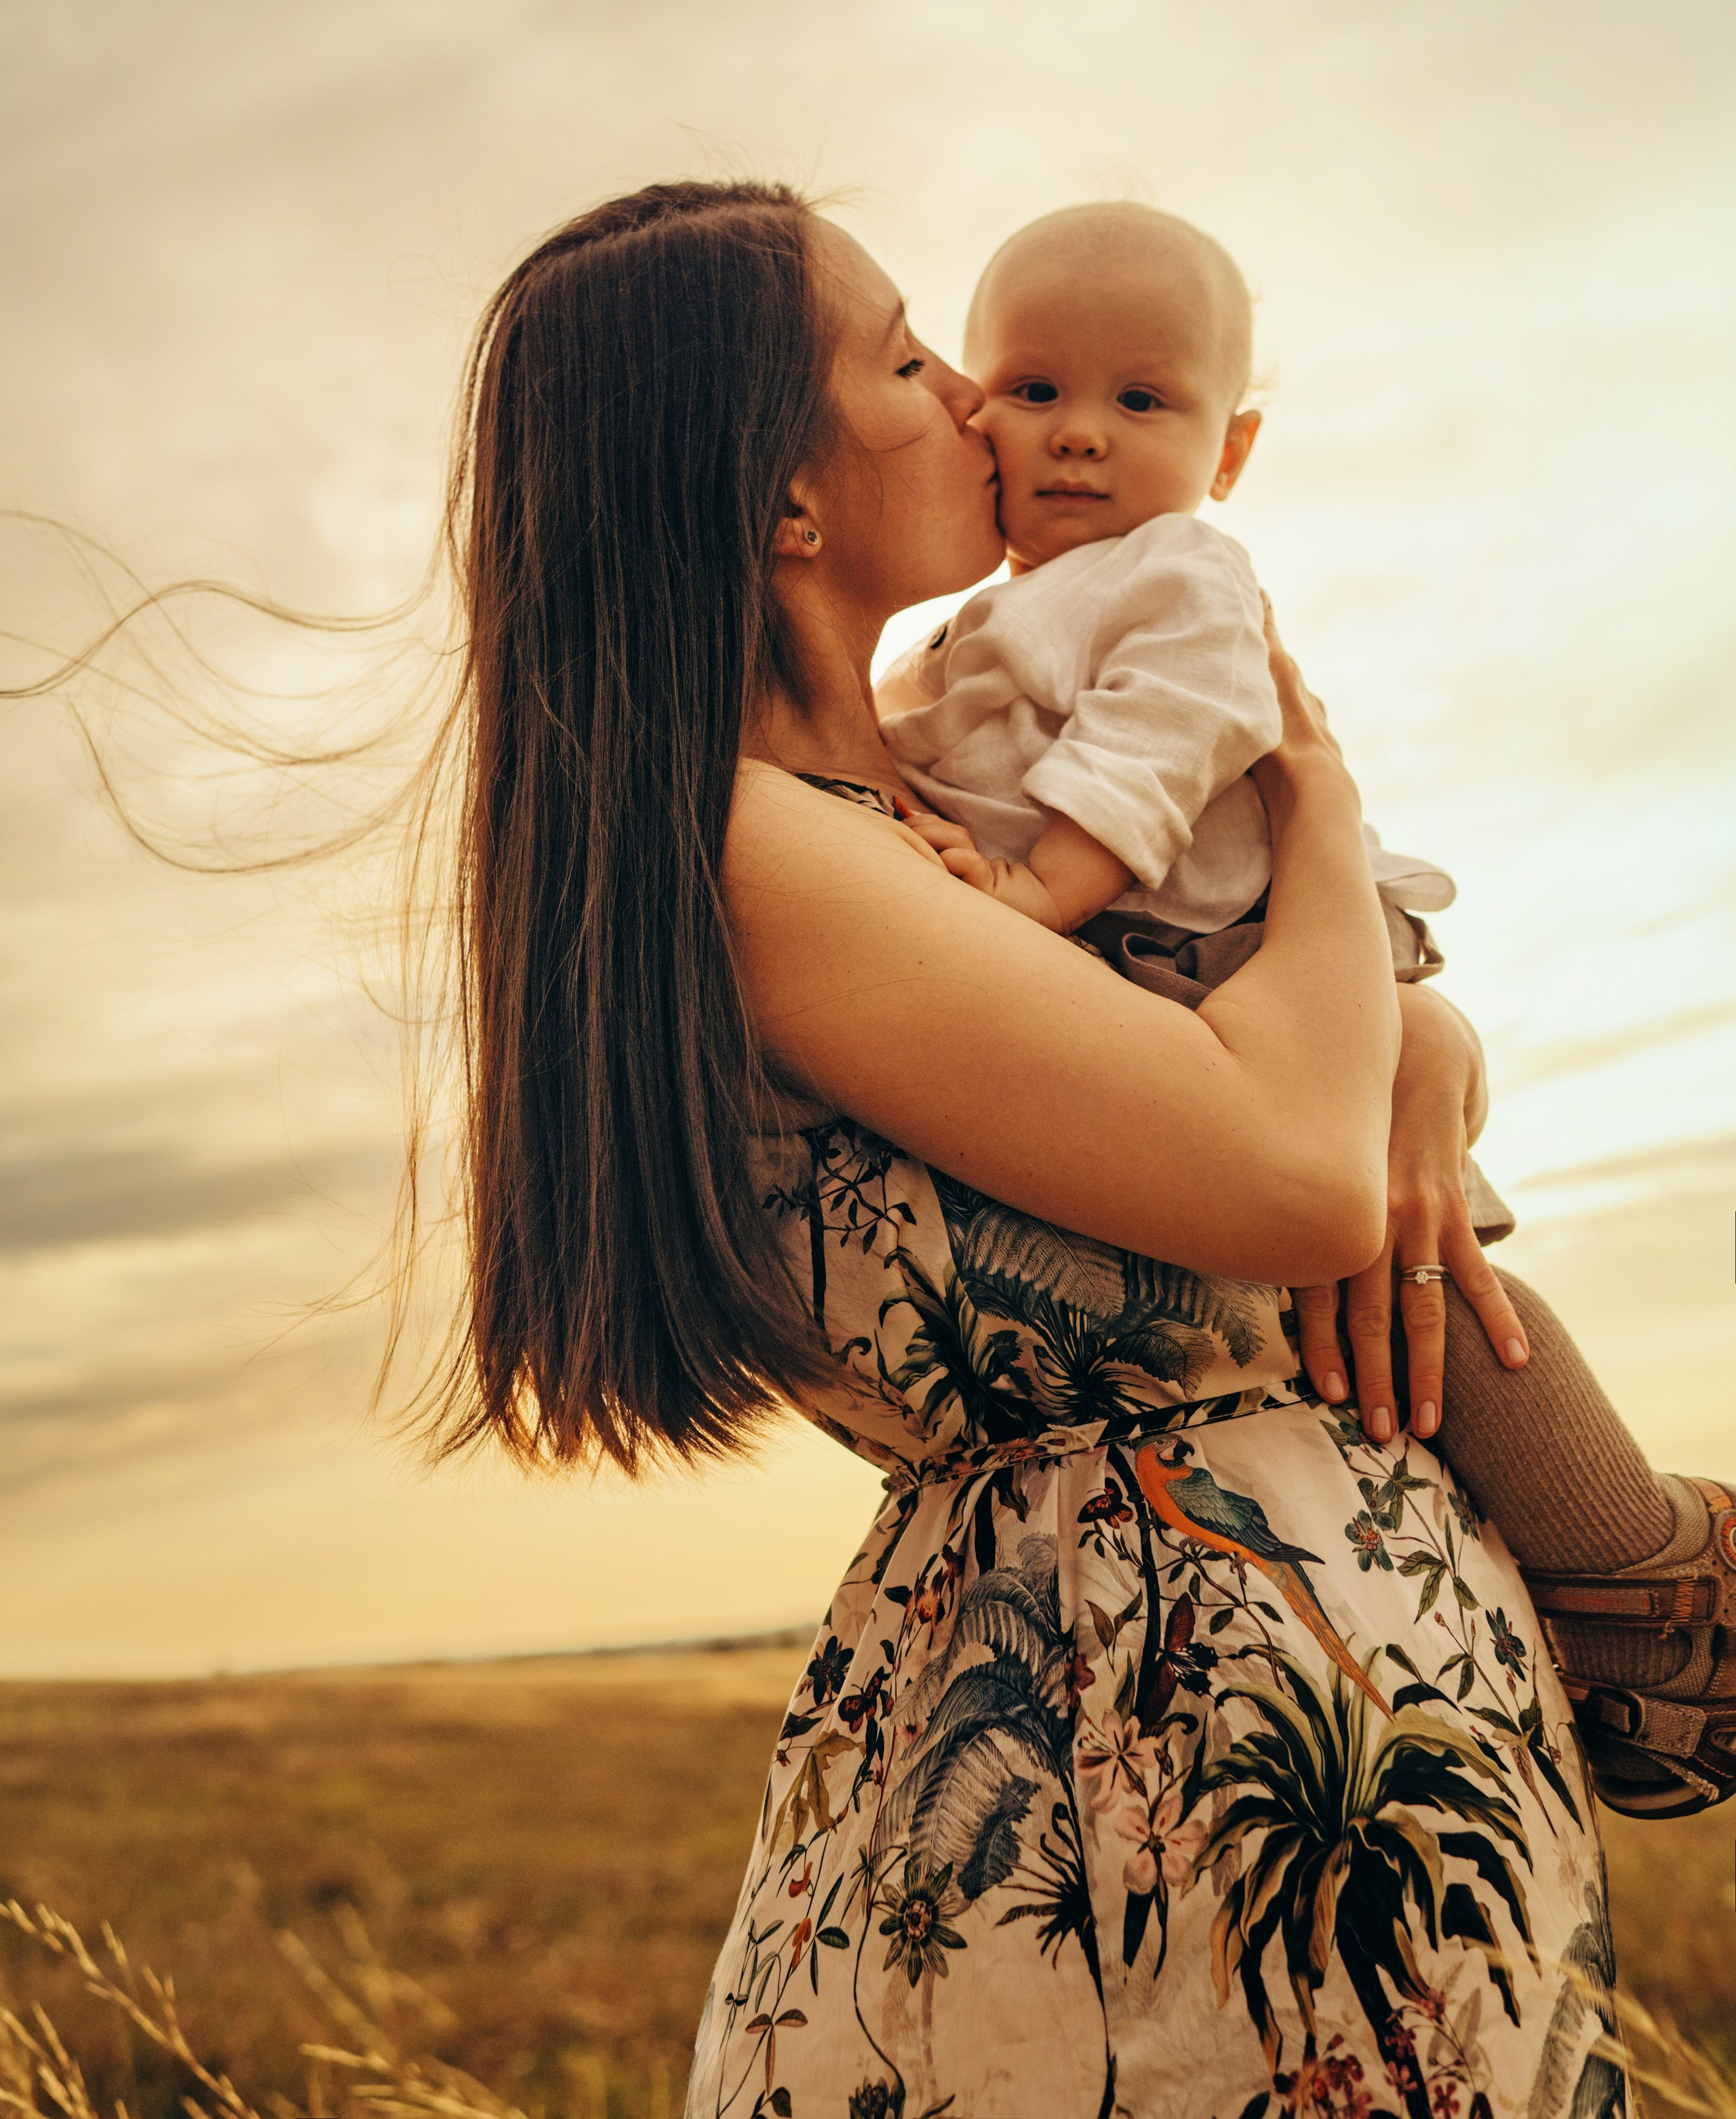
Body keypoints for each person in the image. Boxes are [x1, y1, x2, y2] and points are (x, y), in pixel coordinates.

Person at [441, 177, 1627, 2118]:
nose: (981, 402)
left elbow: (1254, 1045)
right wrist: (1318, 805)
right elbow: (1293, 1177)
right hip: (1126, 1838)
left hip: (1319, 1787)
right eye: (910, 357)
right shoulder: (768, 857)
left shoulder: (934, 787)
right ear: (784, 502)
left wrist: (1425, 1036)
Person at [876, 201, 1735, 1829]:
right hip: (1166, 990)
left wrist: (1030, 894)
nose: (1075, 437)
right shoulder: (966, 633)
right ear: (972, 404)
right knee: (1350, 1322)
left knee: (1433, 1281)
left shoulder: (1180, 573)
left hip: (1243, 952)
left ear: (1232, 448)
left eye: (1143, 403)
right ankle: (1581, 1625)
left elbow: (1168, 739)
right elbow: (936, 766)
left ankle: (1642, 1567)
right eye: (1033, 387)